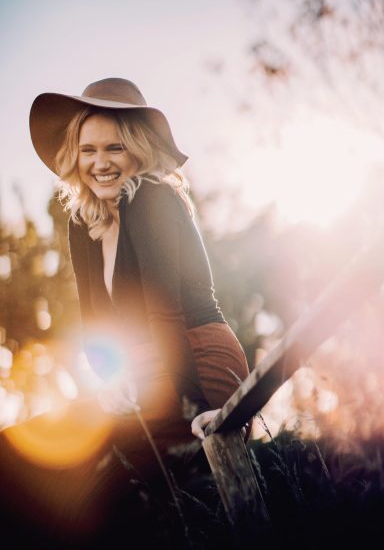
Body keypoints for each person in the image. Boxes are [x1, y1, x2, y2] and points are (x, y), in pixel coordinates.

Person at [29, 77, 252, 467]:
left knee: (84, 463)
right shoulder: (83, 225)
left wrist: (193, 406)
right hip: (146, 372)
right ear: (75, 156)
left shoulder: (152, 197)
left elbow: (166, 312)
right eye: (88, 150)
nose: (101, 163)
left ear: (138, 150)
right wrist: (110, 381)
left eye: (115, 148)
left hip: (197, 362)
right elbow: (95, 325)